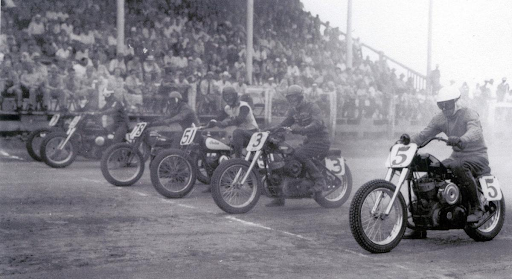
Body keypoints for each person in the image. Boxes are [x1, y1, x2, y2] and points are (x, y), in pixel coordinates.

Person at [403, 85, 490, 239]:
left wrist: (462, 139)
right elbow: (424, 135)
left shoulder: (469, 114)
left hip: (478, 156)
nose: (445, 108)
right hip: (456, 156)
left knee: (460, 166)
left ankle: (477, 207)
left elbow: (475, 131)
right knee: (430, 173)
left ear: (456, 102)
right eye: (441, 105)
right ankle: (420, 225)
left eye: (448, 104)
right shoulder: (440, 118)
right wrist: (404, 143)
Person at [266, 85, 331, 207]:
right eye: (290, 99)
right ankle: (280, 197)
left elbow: (317, 123)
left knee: (300, 153)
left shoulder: (312, 107)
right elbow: (286, 122)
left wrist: (302, 129)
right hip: (310, 141)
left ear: (300, 97)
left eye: (294, 98)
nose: (292, 101)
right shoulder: (293, 110)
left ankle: (319, 180)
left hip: (321, 140)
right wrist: (272, 129)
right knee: (287, 158)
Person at [208, 86, 259, 159]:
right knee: (224, 143)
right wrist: (207, 125)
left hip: (252, 134)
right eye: (226, 96)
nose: (228, 98)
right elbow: (218, 118)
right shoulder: (227, 108)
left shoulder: (244, 106)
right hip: (241, 136)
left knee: (237, 132)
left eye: (230, 95)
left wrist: (225, 124)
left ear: (235, 95)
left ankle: (238, 160)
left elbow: (239, 120)